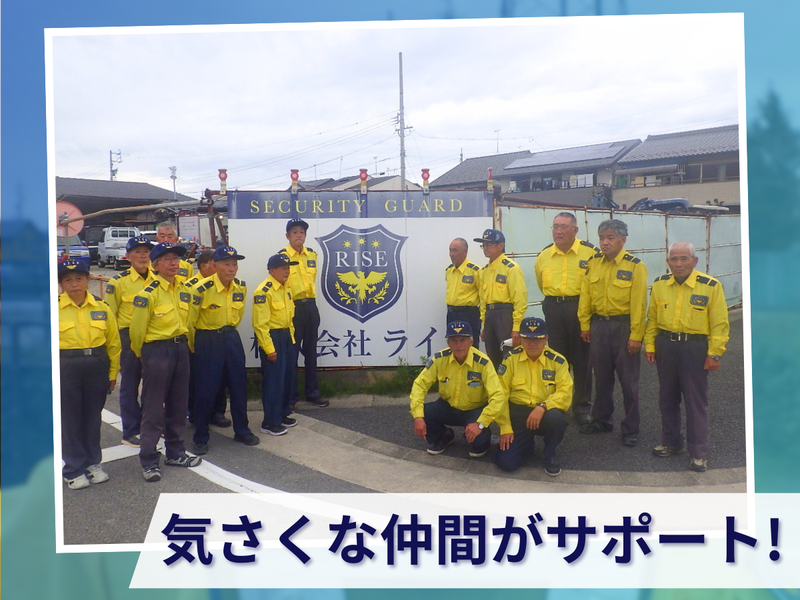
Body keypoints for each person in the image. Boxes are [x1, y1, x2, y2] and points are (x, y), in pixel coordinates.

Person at [644, 242, 730, 472]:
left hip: (694, 347)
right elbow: (652, 317)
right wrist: (650, 345)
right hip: (666, 346)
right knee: (667, 397)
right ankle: (672, 442)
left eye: (684, 258)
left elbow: (720, 323)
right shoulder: (660, 284)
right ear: (668, 261)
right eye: (674, 259)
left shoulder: (710, 286)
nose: (679, 264)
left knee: (695, 401)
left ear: (694, 261)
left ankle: (699, 452)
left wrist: (715, 353)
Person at [130, 242, 201, 482]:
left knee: (178, 405)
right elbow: (137, 334)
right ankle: (149, 460)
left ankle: (175, 452)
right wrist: (147, 358)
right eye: (167, 259)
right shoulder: (146, 295)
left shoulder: (184, 290)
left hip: (181, 349)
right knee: (152, 409)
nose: (173, 263)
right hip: (156, 351)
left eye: (176, 259)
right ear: (155, 264)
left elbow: (189, 321)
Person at [577, 219, 648, 447]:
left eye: (610, 238)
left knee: (629, 381)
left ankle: (631, 427)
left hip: (623, 327)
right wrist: (585, 325)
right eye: (602, 238)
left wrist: (636, 335)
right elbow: (585, 294)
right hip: (599, 326)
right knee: (603, 378)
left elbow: (639, 304)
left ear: (622, 240)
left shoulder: (634, 266)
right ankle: (602, 420)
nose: (604, 243)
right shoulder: (593, 262)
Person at [187, 245, 259, 455]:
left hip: (231, 338)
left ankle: (242, 430)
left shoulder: (240, 287)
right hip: (207, 340)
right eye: (227, 264)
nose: (232, 268)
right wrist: (194, 347)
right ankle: (200, 436)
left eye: (234, 264)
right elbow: (190, 321)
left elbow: (238, 316)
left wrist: (228, 335)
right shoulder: (200, 289)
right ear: (215, 265)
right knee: (205, 390)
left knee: (239, 386)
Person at [58, 258, 121, 489]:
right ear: (61, 283)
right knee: (70, 418)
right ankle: (73, 467)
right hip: (66, 365)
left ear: (88, 279)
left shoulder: (101, 308)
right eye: (68, 279)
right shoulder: (52, 308)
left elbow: (113, 343)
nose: (74, 283)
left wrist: (113, 372)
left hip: (96, 364)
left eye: (79, 278)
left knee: (93, 417)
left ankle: (93, 463)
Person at [534, 212, 598, 426]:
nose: (558, 231)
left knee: (582, 360)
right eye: (555, 227)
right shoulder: (544, 255)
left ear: (575, 230)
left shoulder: (590, 253)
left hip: (579, 308)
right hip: (553, 307)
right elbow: (541, 284)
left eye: (563, 227)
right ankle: (558, 404)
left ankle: (581, 407)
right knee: (557, 361)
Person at [409, 321, 505, 457]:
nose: (459, 345)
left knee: (477, 449)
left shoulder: (483, 363)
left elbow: (498, 396)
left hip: (474, 411)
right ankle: (444, 436)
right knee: (424, 412)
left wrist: (481, 424)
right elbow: (420, 385)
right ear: (448, 343)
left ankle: (481, 438)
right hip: (448, 407)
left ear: (471, 341)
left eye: (463, 340)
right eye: (454, 340)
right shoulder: (439, 359)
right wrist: (418, 416)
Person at [494, 317, 572, 476]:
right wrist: (505, 428)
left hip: (544, 412)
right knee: (506, 463)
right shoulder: (510, 360)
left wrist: (543, 407)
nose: (532, 343)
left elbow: (565, 392)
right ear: (520, 339)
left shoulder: (558, 361)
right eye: (528, 338)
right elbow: (500, 395)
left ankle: (549, 453)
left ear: (546, 339)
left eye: (538, 339)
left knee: (557, 419)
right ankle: (526, 445)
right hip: (518, 413)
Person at [104, 235, 155, 447]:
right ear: (128, 257)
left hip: (153, 337)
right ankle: (131, 431)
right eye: (137, 252)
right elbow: (110, 317)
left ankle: (149, 426)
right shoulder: (118, 282)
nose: (143, 256)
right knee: (130, 386)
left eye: (146, 252)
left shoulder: (158, 278)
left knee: (153, 386)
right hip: (127, 337)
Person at [281, 217, 328, 407]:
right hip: (293, 308)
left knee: (311, 352)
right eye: (294, 232)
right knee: (292, 353)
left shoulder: (312, 255)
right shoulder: (282, 257)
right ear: (288, 236)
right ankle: (292, 397)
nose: (299, 235)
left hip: (311, 306)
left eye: (302, 232)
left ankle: (312, 393)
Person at [252, 253, 299, 436]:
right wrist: (269, 349)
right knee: (274, 382)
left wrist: (292, 340)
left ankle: (282, 413)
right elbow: (260, 325)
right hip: (273, 339)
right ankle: (270, 422)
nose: (287, 271)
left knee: (287, 378)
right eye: (283, 268)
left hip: (286, 337)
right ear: (272, 270)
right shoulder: (263, 292)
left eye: (288, 267)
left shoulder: (285, 288)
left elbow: (289, 318)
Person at [186, 248, 231, 427]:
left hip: (220, 339)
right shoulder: (191, 287)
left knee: (220, 378)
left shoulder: (225, 284)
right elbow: (189, 319)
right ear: (204, 266)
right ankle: (196, 414)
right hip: (199, 339)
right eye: (215, 264)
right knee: (198, 381)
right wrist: (192, 343)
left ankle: (217, 412)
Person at [473, 228, 528, 368]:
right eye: (483, 245)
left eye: (488, 244)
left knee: (509, 357)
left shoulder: (511, 268)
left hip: (505, 315)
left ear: (501, 246)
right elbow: (484, 301)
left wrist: (516, 327)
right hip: (490, 316)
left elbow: (520, 300)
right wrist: (484, 325)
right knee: (493, 357)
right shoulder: (483, 271)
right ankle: (498, 389)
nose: (485, 248)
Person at [445, 238, 482, 349]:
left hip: (469, 315)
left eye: (455, 250)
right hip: (451, 313)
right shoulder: (449, 271)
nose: (451, 254)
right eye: (450, 250)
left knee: (471, 347)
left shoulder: (475, 271)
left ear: (465, 251)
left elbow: (483, 297)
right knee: (453, 346)